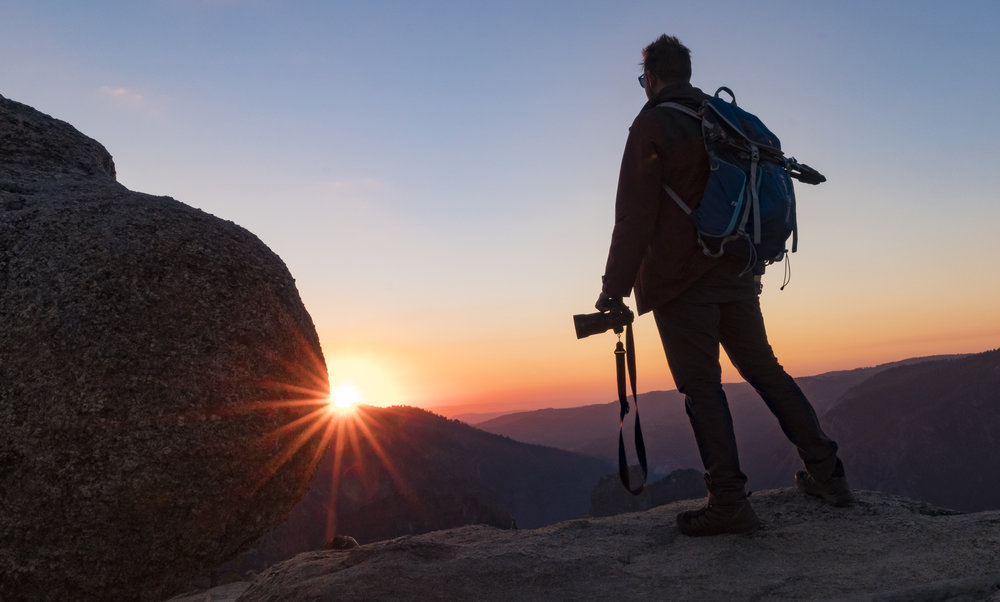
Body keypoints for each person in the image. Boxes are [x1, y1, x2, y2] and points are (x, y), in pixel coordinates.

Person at [596, 34, 851, 537]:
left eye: (643, 77)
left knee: (702, 389)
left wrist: (614, 287)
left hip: (681, 280)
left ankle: (729, 502)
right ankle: (829, 475)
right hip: (736, 269)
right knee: (764, 369)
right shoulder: (724, 118)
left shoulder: (653, 123)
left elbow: (636, 213)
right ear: (687, 71)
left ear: (651, 76)